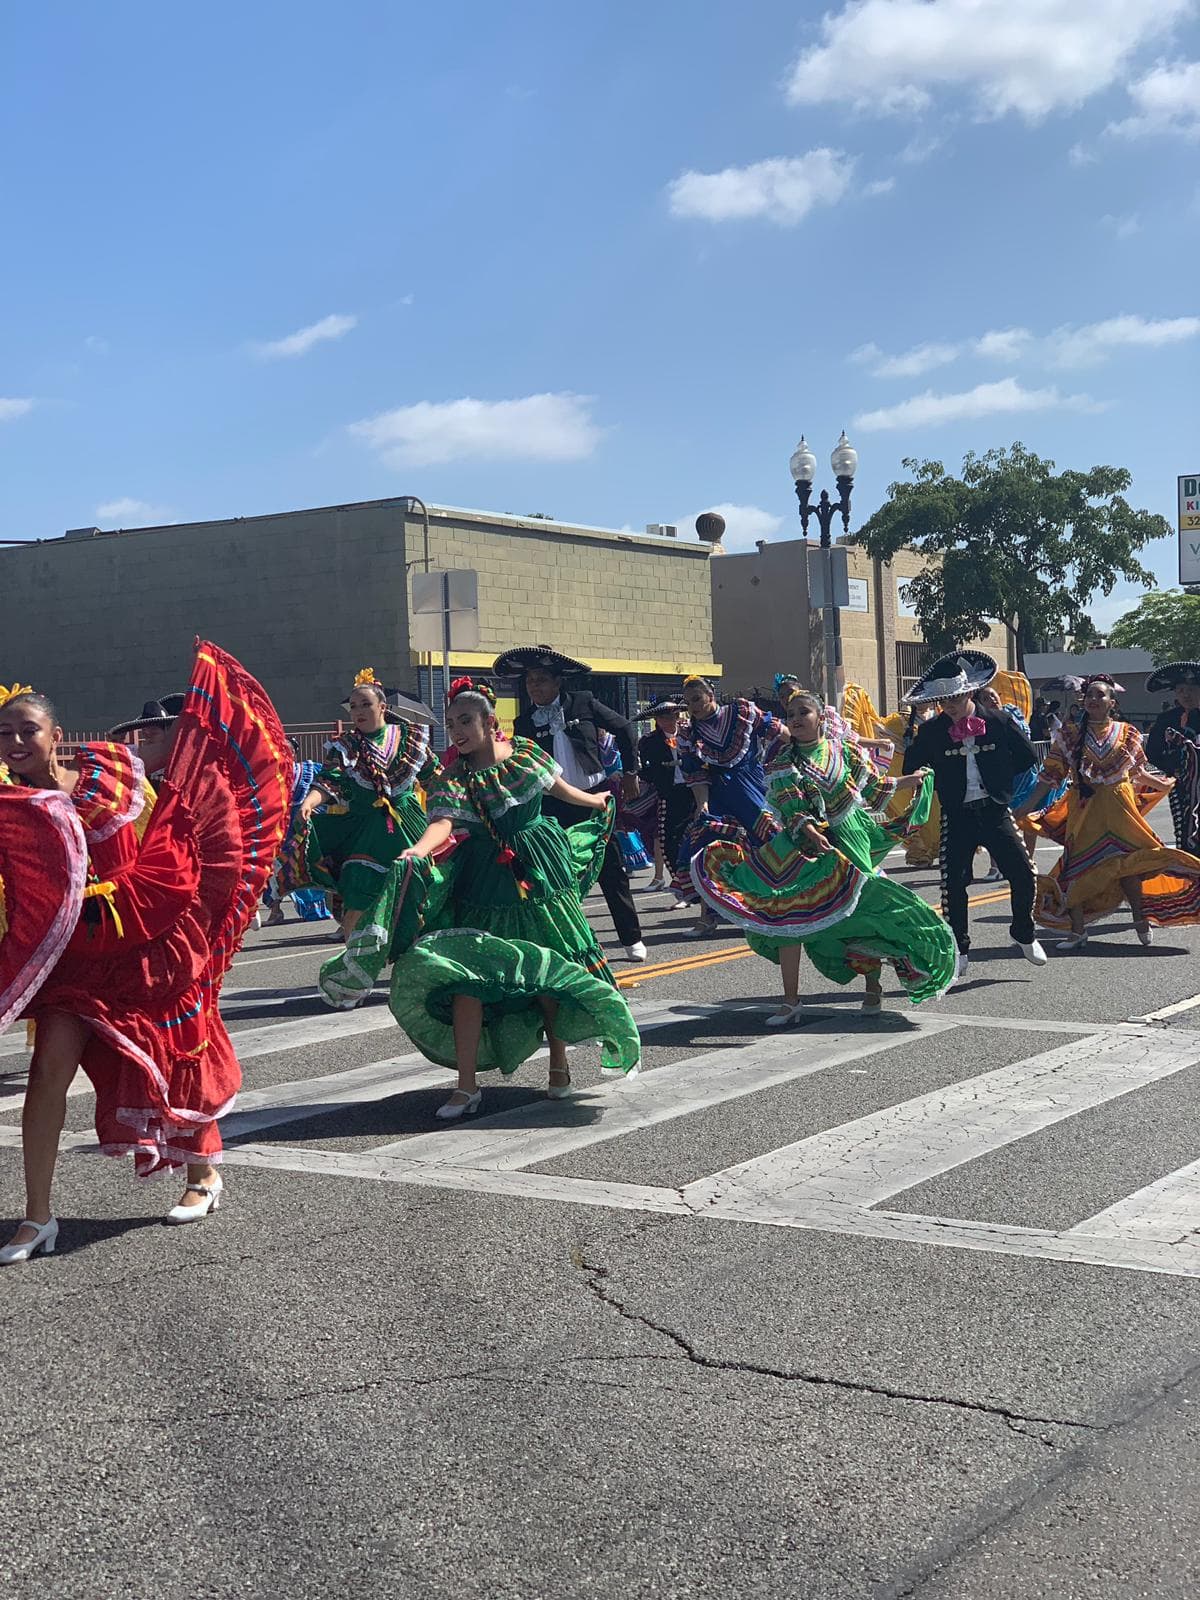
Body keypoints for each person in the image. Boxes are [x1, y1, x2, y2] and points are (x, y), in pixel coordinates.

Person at [0, 643, 290, 1263]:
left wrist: (138, 903)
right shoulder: (11, 812)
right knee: (48, 1073)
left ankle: (202, 1175)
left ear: (56, 735)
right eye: (4, 734)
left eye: (28, 730)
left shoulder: (113, 774)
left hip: (147, 946)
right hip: (73, 962)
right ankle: (38, 1216)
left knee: (180, 1056)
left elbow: (161, 836)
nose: (15, 742)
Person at [320, 677, 641, 1118]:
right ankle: (466, 1086)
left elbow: (562, 792)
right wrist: (418, 849)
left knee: (550, 972)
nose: (457, 730)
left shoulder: (526, 757)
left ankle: (559, 1063)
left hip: (536, 870)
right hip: (481, 881)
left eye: (465, 721)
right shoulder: (452, 778)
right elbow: (443, 825)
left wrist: (597, 801)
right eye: (451, 723)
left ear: (490, 722)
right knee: (466, 977)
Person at [692, 685, 956, 1021]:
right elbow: (792, 808)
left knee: (862, 912)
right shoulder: (783, 763)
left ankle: (873, 984)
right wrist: (811, 834)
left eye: (804, 712)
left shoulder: (843, 750)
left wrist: (913, 780)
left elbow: (874, 788)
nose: (797, 718)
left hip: (852, 838)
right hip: (804, 848)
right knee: (789, 917)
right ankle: (791, 1002)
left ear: (820, 718)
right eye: (791, 714)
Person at [1016, 673, 1200, 949]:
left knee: (1129, 866)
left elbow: (1137, 772)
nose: (1094, 699)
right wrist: (1023, 808)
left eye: (1100, 695)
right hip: (1085, 810)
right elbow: (1050, 776)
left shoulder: (1127, 733)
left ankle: (1141, 918)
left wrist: (1163, 784)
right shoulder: (1070, 734)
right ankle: (1077, 931)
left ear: (1112, 702)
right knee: (1076, 867)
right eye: (1089, 695)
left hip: (1120, 808)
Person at [903, 650, 1047, 979]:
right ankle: (960, 948)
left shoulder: (998, 720)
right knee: (953, 883)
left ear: (969, 692)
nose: (949, 706)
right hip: (957, 814)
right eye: (943, 700)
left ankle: (1023, 933)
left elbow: (1026, 757)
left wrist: (999, 777)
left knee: (1024, 873)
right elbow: (913, 766)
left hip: (995, 809)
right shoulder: (932, 731)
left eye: (955, 698)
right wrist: (914, 744)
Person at [499, 644, 647, 962]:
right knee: (556, 874)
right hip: (551, 805)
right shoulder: (524, 723)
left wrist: (631, 772)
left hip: (593, 800)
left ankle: (631, 937)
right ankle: (567, 941)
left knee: (611, 868)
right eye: (529, 681)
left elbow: (624, 728)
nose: (534, 686)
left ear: (557, 682)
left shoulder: (583, 702)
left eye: (540, 679)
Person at [298, 667, 439, 944]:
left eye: (366, 704)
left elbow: (434, 779)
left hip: (408, 826)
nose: (359, 711)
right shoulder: (346, 746)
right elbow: (329, 781)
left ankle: (414, 961)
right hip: (365, 831)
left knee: (418, 894)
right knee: (358, 894)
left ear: (382, 707)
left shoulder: (410, 738)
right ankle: (353, 964)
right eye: (353, 707)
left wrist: (455, 807)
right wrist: (309, 802)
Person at [674, 675, 783, 935]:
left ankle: (776, 908)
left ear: (710, 696)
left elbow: (781, 733)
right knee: (705, 846)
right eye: (688, 702)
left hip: (751, 789)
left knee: (770, 843)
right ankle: (707, 917)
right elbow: (695, 774)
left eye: (697, 699)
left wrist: (794, 761)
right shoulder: (690, 732)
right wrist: (703, 804)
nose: (693, 706)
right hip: (719, 794)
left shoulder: (742, 713)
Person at [634, 696, 693, 892]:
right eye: (663, 717)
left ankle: (700, 881)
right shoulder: (649, 742)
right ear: (656, 720)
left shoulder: (690, 735)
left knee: (695, 836)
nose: (668, 720)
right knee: (668, 838)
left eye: (672, 716)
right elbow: (645, 770)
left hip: (694, 791)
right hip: (669, 793)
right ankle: (681, 884)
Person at [1144, 662, 1200, 854]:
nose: (1186, 694)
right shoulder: (1167, 719)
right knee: (1186, 834)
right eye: (1181, 690)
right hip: (1182, 789)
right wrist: (1175, 768)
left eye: (1192, 689)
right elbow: (1152, 753)